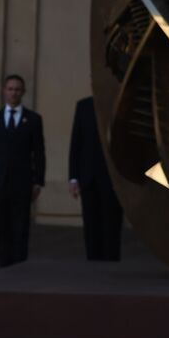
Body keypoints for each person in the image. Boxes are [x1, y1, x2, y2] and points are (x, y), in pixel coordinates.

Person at [0, 74, 46, 268]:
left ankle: (19, 266)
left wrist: (38, 181)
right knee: (1, 228)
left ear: (23, 92)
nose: (14, 92)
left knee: (21, 228)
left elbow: (39, 152)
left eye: (17, 89)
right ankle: (4, 265)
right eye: (10, 89)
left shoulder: (33, 119)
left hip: (23, 183)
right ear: (4, 91)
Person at [69, 95, 123, 261]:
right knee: (91, 224)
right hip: (88, 176)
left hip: (113, 178)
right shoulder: (83, 105)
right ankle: (92, 261)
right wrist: (73, 178)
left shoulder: (119, 104)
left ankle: (111, 262)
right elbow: (76, 143)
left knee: (112, 224)